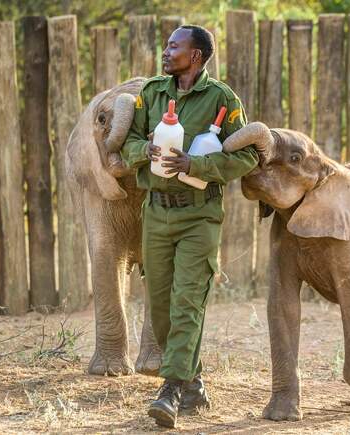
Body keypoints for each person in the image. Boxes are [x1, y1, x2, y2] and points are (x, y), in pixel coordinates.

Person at [120, 24, 259, 428]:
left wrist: (195, 165)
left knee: (187, 301)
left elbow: (246, 156)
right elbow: (127, 139)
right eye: (166, 45)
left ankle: (172, 389)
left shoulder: (223, 99)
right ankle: (193, 381)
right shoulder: (152, 93)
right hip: (156, 211)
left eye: (174, 46)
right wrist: (142, 149)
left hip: (199, 215)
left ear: (196, 56)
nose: (166, 51)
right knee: (160, 307)